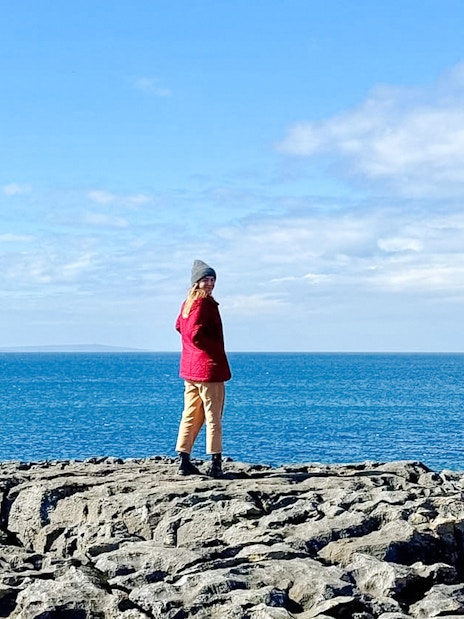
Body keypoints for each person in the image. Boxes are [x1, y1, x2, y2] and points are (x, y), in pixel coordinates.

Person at [175, 259, 231, 477]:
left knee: (190, 413)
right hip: (208, 369)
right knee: (213, 416)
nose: (210, 284)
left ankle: (183, 459)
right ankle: (215, 462)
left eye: (212, 279)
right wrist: (212, 350)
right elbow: (197, 334)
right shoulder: (205, 304)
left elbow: (179, 326)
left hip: (190, 369)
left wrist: (193, 348)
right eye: (206, 280)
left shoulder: (187, 304)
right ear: (196, 282)